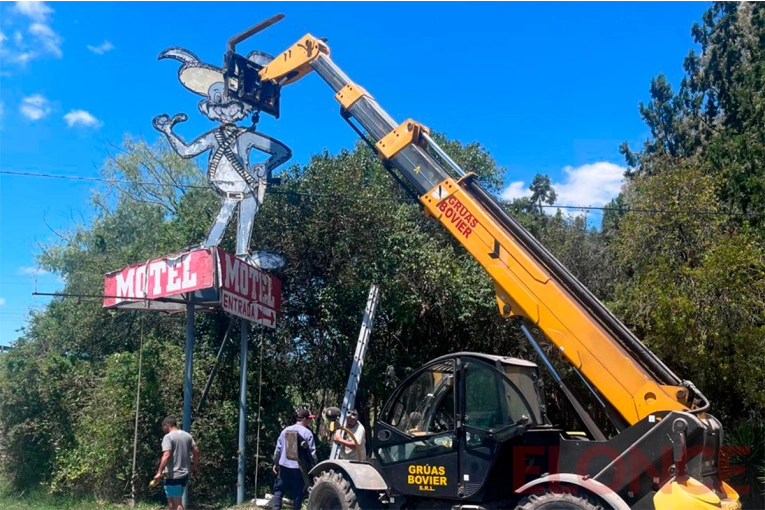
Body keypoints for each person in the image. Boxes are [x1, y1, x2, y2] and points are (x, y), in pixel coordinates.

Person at [272, 408, 317, 510]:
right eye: (309, 419)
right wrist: (313, 468)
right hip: (299, 468)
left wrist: (276, 463)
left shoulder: (285, 431)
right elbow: (312, 454)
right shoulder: (308, 433)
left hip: (284, 466)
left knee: (279, 490)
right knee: (298, 493)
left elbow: (278, 450)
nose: (310, 421)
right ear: (304, 419)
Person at [153, 416, 199, 510]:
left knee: (177, 503)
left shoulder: (168, 437)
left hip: (173, 474)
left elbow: (167, 455)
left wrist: (159, 472)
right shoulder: (187, 435)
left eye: (163, 427)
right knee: (171, 501)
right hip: (183, 474)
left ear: (166, 425)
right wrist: (194, 466)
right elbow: (196, 451)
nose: (163, 429)